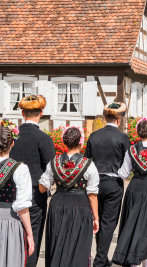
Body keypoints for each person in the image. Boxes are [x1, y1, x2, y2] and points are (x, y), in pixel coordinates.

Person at [112, 118, 147, 267]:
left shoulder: (131, 150)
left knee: (133, 224)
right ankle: (142, 259)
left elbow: (124, 174)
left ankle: (137, 260)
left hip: (135, 188)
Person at [39, 126, 100, 267]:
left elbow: (42, 188)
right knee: (79, 246)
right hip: (80, 206)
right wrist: (96, 217)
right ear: (81, 142)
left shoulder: (54, 162)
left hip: (58, 205)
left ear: (64, 142)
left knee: (57, 243)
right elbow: (92, 195)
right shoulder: (88, 165)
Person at [10, 95, 55, 267]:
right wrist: (45, 190)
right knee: (32, 237)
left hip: (10, 192)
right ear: (41, 113)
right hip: (35, 194)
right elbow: (51, 169)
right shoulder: (43, 138)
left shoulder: (13, 136)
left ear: (22, 113)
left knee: (11, 234)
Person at [85, 102, 131, 267]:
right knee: (108, 222)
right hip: (113, 181)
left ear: (105, 118)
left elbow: (87, 160)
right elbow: (128, 162)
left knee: (98, 218)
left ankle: (102, 257)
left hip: (95, 181)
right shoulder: (123, 138)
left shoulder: (94, 136)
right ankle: (100, 259)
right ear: (118, 119)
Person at [0, 119, 34, 267]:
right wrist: (30, 235)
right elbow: (22, 207)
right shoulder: (20, 169)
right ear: (12, 143)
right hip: (9, 222)